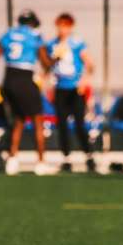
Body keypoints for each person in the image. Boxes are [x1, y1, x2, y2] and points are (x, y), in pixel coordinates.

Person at [0, 9, 52, 175]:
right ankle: (41, 163)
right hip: (25, 78)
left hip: (9, 79)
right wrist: (54, 59)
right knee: (38, 119)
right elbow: (46, 64)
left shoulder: (9, 33)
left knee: (18, 120)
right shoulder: (35, 36)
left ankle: (12, 160)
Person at [44, 13, 96, 172]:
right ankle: (66, 157)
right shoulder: (52, 44)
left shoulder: (77, 43)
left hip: (75, 88)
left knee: (79, 124)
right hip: (60, 88)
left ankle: (89, 155)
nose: (62, 29)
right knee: (62, 124)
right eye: (60, 25)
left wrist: (84, 81)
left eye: (66, 26)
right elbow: (47, 67)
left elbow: (90, 65)